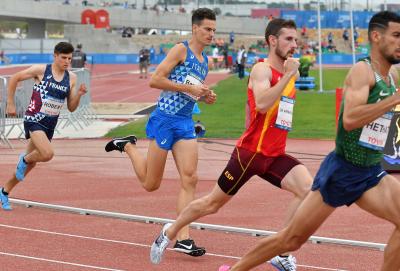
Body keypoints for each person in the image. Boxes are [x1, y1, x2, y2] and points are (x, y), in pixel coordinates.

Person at [219, 11, 400, 271]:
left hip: (371, 171)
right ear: (376, 37)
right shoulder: (363, 71)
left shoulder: (391, 77)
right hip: (343, 171)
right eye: (396, 36)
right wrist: (393, 101)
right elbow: (350, 119)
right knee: (291, 239)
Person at [150, 18, 312, 270]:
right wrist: (288, 75)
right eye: (288, 39)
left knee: (307, 190)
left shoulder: (294, 72)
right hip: (250, 155)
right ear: (272, 41)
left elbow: (262, 110)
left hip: (275, 154)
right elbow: (261, 103)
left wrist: (290, 76)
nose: (295, 44)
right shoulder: (262, 69)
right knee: (211, 204)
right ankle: (170, 230)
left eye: (295, 39)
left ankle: (280, 251)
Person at [105, 8, 217, 258]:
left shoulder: (204, 61)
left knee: (190, 178)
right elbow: (155, 80)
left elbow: (190, 92)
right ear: (195, 28)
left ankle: (184, 238)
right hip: (165, 120)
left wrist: (205, 95)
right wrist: (185, 87)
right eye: (207, 29)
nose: (211, 34)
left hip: (185, 123)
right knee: (150, 184)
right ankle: (128, 146)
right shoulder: (180, 50)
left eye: (214, 30)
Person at [0, 42, 87, 211]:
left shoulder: (72, 78)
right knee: (47, 154)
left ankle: (4, 191)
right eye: (63, 58)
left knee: (29, 165)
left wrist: (79, 95)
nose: (67, 61)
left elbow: (71, 107)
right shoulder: (41, 70)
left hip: (49, 124)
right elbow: (15, 78)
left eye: (69, 58)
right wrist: (10, 103)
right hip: (34, 118)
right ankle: (23, 159)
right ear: (55, 56)